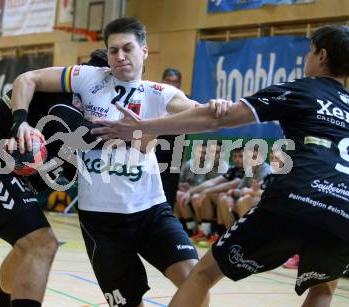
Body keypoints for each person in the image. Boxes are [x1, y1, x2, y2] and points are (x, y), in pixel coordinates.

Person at [92, 25, 349, 307]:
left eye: (309, 52)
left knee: (202, 274)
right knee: (323, 288)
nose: (306, 58)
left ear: (322, 56)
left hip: (299, 196)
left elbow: (217, 120)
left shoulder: (302, 90)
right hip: (344, 210)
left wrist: (142, 128)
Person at [7, 17, 227, 307]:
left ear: (144, 51)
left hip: (151, 211)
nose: (120, 56)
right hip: (101, 221)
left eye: (128, 48)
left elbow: (200, 115)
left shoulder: (159, 92)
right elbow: (27, 79)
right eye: (113, 50)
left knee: (194, 282)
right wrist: (20, 123)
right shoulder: (88, 78)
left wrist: (215, 108)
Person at [0, 50, 109, 307]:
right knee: (42, 244)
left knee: (27, 247)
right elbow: (66, 123)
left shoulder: (89, 105)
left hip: (15, 175)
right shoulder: (67, 92)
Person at [156, 68, 184, 207]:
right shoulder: (154, 98)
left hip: (176, 151)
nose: (172, 85)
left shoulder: (185, 101)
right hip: (154, 148)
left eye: (175, 82)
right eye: (169, 81)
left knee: (169, 192)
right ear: (162, 81)